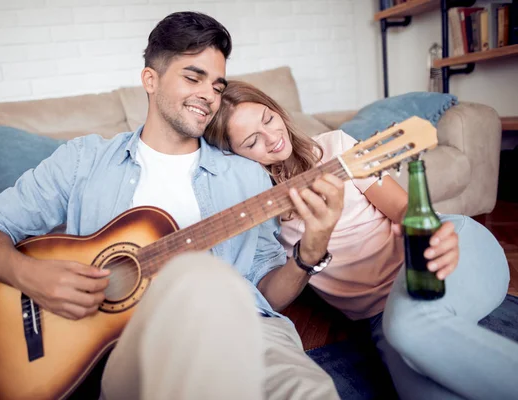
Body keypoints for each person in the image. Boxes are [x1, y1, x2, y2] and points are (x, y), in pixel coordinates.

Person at [0, 12, 343, 400]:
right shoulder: (83, 160)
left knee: (309, 391)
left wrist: (309, 253)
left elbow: (266, 293)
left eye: (217, 85)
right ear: (150, 80)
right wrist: (30, 276)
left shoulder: (246, 177)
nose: (208, 94)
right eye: (193, 77)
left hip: (244, 331)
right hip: (128, 346)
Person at [204, 80, 517, 400]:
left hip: (441, 252)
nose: (272, 138)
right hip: (380, 318)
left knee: (411, 328)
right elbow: (269, 299)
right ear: (232, 156)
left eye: (268, 119)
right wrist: (310, 246)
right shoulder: (254, 208)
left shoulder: (337, 147)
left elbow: (402, 209)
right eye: (253, 140)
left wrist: (427, 233)